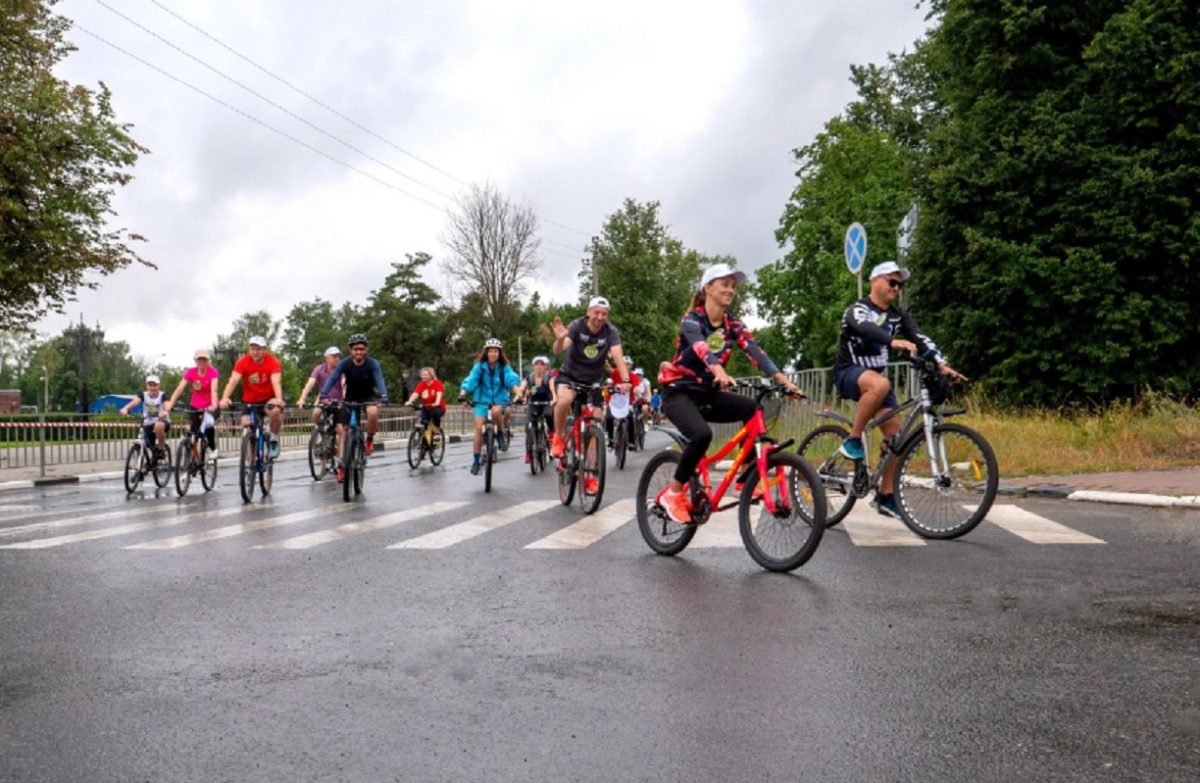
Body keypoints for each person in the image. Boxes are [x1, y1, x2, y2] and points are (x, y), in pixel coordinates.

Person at [657, 263, 803, 524]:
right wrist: (718, 369)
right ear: (707, 288)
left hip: (708, 393)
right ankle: (674, 493)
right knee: (702, 435)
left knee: (751, 408)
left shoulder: (732, 324)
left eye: (733, 286)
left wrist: (784, 381)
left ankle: (746, 476)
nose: (731, 289)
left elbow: (755, 352)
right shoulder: (692, 320)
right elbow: (701, 347)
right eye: (725, 284)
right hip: (679, 393)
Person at [833, 260, 965, 519]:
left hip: (876, 380)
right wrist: (892, 341)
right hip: (849, 373)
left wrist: (942, 365)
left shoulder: (898, 315)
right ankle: (852, 439)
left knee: (896, 437)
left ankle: (885, 495)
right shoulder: (858, 309)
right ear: (875, 281)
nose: (896, 288)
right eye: (892, 282)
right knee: (881, 383)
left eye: (899, 284)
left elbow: (921, 338)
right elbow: (864, 327)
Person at [549, 296, 631, 466]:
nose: (600, 317)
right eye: (596, 313)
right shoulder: (576, 326)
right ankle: (558, 437)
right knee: (564, 401)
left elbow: (618, 357)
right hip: (570, 376)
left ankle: (591, 475)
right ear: (588, 312)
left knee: (595, 422)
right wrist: (559, 339)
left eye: (604, 314)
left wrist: (625, 380)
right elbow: (559, 350)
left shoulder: (611, 332)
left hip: (593, 380)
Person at [319, 334, 388, 482]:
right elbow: (333, 378)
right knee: (345, 431)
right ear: (351, 350)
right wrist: (323, 393)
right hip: (350, 398)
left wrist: (383, 395)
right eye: (355, 349)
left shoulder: (373, 364)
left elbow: (379, 379)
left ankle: (369, 441)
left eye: (361, 349)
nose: (359, 352)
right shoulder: (344, 364)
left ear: (366, 350)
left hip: (368, 397)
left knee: (373, 412)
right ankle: (343, 466)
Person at [459, 338, 521, 475]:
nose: (493, 354)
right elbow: (471, 380)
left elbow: (512, 381)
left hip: (499, 399)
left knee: (496, 411)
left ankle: (500, 433)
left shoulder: (504, 368)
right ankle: (475, 461)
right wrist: (463, 393)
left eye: (496, 351)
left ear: (500, 353)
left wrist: (518, 394)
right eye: (491, 351)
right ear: (486, 353)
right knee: (478, 427)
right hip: (481, 400)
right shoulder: (479, 367)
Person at [219, 336, 284, 458]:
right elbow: (233, 381)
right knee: (246, 426)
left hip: (267, 399)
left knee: (275, 412)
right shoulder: (243, 362)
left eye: (258, 349)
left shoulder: (273, 361)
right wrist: (224, 398)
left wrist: (279, 399)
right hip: (249, 400)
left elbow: (276, 381)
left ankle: (274, 438)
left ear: (265, 349)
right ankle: (251, 460)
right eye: (252, 349)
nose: (255, 352)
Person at [165, 349, 219, 459]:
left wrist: (213, 404)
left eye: (204, 359)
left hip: (210, 406)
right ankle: (193, 461)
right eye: (199, 359)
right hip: (195, 405)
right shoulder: (190, 372)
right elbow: (180, 388)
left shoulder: (213, 372)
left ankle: (212, 448)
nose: (202, 362)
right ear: (196, 360)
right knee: (194, 433)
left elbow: (214, 390)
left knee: (208, 424)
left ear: (208, 361)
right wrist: (171, 402)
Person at [515, 355, 556, 464]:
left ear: (544, 367)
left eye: (541, 365)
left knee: (548, 414)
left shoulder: (548, 378)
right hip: (533, 404)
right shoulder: (529, 378)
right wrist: (518, 398)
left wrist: (554, 399)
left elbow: (552, 390)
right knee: (529, 426)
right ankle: (528, 453)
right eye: (536, 365)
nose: (539, 367)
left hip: (546, 403)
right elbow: (521, 388)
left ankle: (551, 433)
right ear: (533, 367)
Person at [122, 375, 171, 455]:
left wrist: (165, 411)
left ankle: (161, 448)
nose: (152, 388)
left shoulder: (162, 395)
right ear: (147, 386)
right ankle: (149, 462)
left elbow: (167, 404)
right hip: (148, 422)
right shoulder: (144, 395)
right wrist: (126, 408)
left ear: (159, 386)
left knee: (158, 425)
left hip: (162, 422)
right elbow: (135, 402)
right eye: (150, 385)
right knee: (147, 444)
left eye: (154, 385)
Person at [297, 347, 345, 424]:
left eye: (338, 357)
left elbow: (344, 385)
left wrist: (344, 400)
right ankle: (318, 430)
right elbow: (310, 384)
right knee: (316, 413)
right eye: (334, 357)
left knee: (340, 428)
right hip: (323, 399)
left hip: (338, 401)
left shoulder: (341, 369)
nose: (337, 359)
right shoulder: (319, 369)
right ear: (327, 358)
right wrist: (302, 399)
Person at [405, 366, 445, 441]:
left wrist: (437, 402)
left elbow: (439, 394)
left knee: (435, 414)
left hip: (437, 407)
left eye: (426, 375)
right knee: (424, 421)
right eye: (422, 375)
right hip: (426, 407)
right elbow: (416, 393)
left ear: (431, 375)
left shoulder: (437, 383)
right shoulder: (422, 384)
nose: (423, 376)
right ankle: (424, 441)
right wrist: (409, 401)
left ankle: (436, 433)